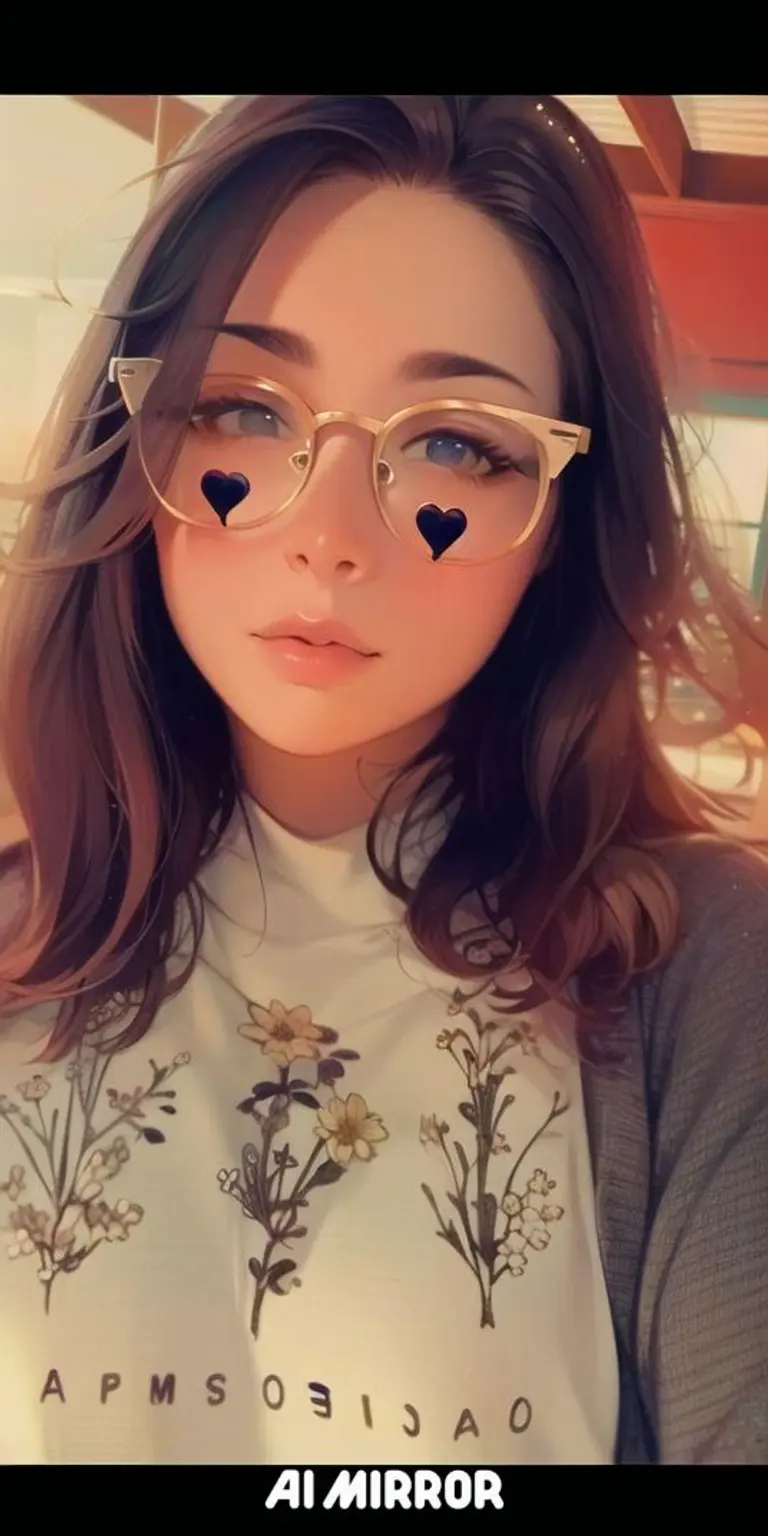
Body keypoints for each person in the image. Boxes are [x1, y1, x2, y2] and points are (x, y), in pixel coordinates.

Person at [0, 93, 765, 1468]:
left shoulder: (705, 973)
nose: (331, 534)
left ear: (559, 521)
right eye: (242, 407)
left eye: (458, 443)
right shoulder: (20, 917)